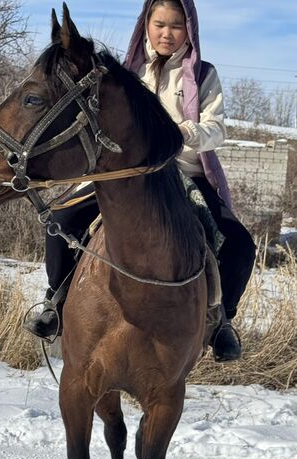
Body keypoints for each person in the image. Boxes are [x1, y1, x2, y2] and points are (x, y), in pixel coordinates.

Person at [25, 0, 256, 362]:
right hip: (122, 172)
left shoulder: (204, 74)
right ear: (145, 24)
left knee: (241, 244)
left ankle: (221, 321)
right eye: (160, 24)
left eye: (176, 26)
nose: (167, 33)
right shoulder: (124, 70)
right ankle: (55, 301)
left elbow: (218, 129)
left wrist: (182, 132)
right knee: (60, 220)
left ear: (189, 29)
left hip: (181, 174)